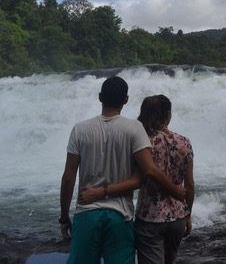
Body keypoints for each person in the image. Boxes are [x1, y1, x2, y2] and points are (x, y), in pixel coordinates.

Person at [60, 77, 186, 264]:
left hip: (86, 213)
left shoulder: (79, 129)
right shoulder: (134, 128)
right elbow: (148, 172)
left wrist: (64, 218)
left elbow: (69, 178)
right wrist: (176, 191)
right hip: (120, 215)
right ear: (126, 100)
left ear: (100, 97)